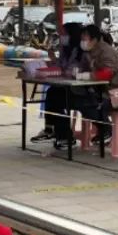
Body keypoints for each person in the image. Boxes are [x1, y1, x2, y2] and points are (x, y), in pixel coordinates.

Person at [30, 22, 86, 150]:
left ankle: (65, 136)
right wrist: (53, 60)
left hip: (80, 89)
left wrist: (62, 70)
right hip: (67, 86)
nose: (62, 37)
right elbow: (61, 66)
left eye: (64, 34)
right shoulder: (65, 49)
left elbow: (72, 70)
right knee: (52, 93)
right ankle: (50, 129)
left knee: (57, 100)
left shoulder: (80, 52)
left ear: (72, 35)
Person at [77, 23, 118, 146]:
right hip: (104, 92)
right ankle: (104, 129)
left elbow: (107, 73)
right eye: (81, 39)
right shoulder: (88, 52)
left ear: (94, 39)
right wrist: (77, 71)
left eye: (85, 38)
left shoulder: (106, 51)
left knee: (94, 106)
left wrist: (87, 76)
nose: (82, 41)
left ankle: (106, 130)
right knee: (82, 102)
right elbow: (83, 68)